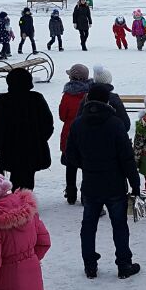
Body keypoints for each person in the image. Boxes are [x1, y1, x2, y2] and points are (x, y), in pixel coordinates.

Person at [65, 83, 141, 280]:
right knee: (119, 225)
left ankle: (90, 265)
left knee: (88, 225)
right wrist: (135, 184)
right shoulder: (115, 124)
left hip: (90, 183)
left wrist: (87, 164)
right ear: (108, 100)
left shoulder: (78, 123)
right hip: (115, 183)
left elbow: (70, 157)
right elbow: (127, 158)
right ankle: (124, 264)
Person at [0, 67, 54, 191]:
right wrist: (40, 139)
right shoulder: (36, 98)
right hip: (32, 148)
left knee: (16, 176)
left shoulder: (3, 100)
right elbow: (48, 123)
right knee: (28, 177)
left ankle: (18, 202)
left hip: (9, 148)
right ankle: (25, 203)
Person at [58, 64, 91, 204]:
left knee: (70, 165)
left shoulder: (68, 95)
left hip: (70, 133)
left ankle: (71, 193)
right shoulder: (91, 93)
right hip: (87, 133)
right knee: (86, 165)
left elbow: (62, 115)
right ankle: (85, 195)